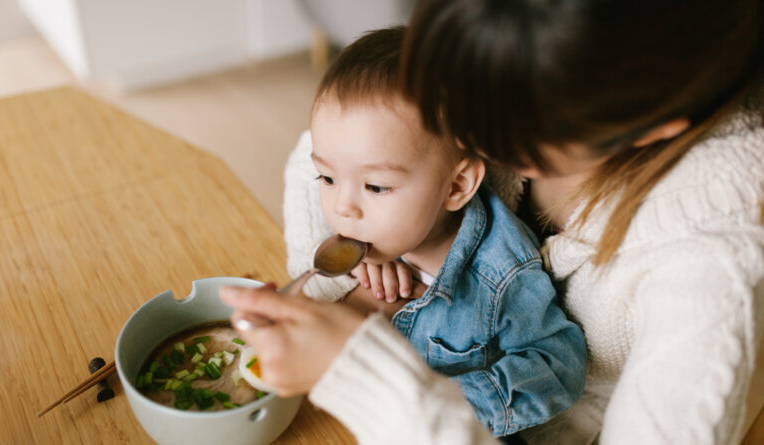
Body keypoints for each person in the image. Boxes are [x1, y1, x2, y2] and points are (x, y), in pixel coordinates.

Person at [221, 0, 764, 443]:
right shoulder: (501, 44)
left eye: (497, 125)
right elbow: (318, 154)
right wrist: (350, 278)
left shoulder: (712, 267)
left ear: (645, 128)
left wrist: (359, 372)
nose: (460, 128)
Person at [282, 26, 586, 437]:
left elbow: (558, 364)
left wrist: (442, 401)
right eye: (328, 178)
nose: (342, 207)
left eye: (375, 187)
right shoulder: (382, 233)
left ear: (456, 186)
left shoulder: (502, 274)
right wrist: (361, 268)